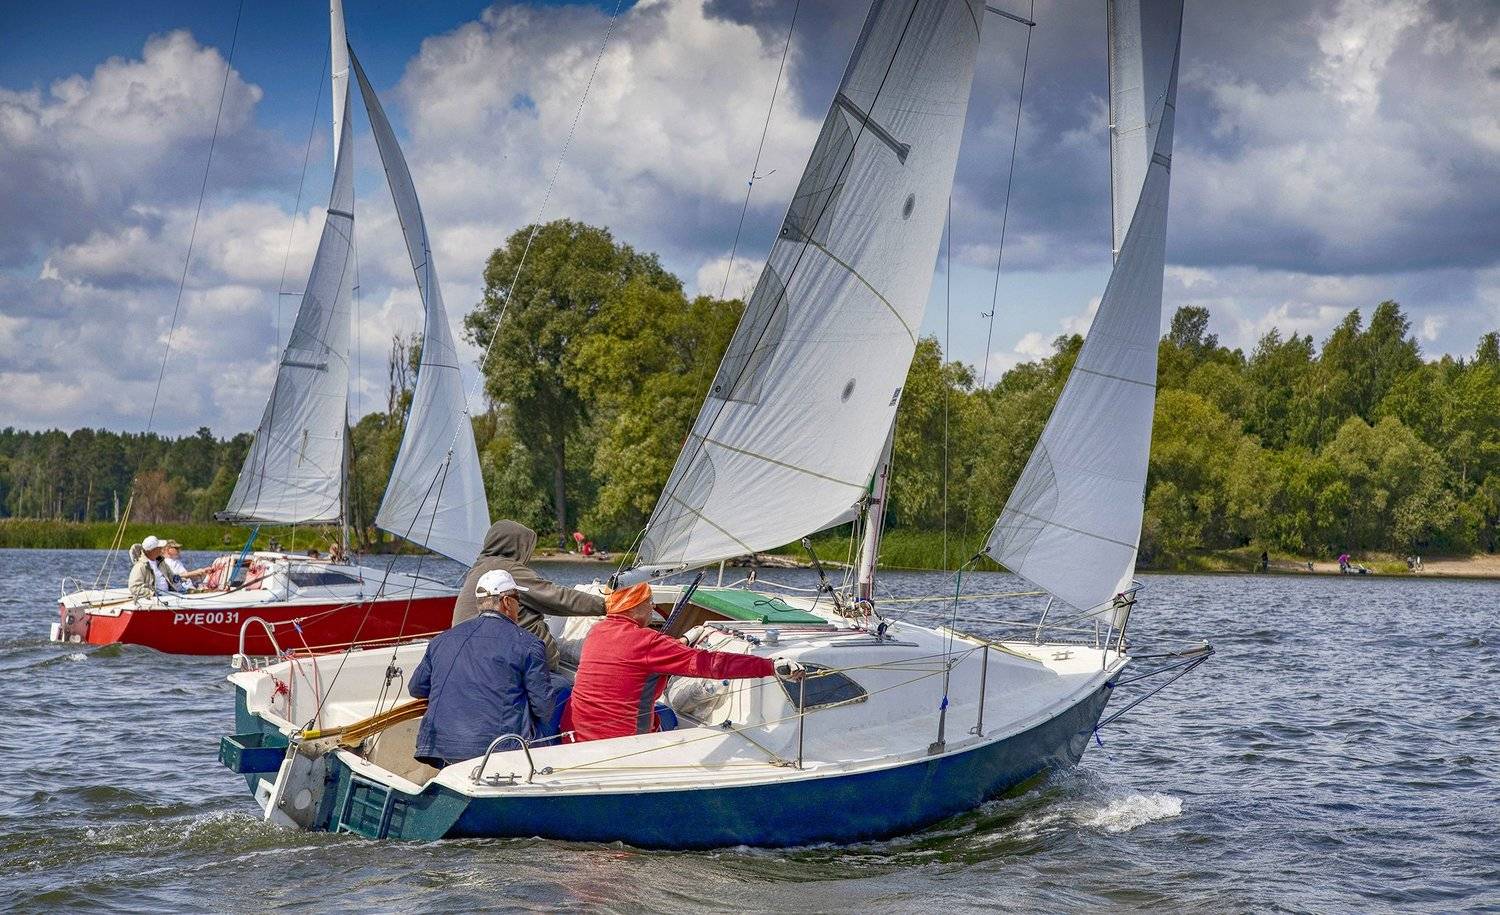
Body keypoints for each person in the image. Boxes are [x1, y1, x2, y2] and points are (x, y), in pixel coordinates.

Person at [565, 582, 804, 743]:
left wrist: (686, 639)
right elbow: (713, 665)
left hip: (575, 734)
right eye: (650, 603)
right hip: (618, 742)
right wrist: (769, 666)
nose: (653, 609)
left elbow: (638, 654)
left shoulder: (598, 631)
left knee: (663, 713)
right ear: (636, 607)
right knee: (669, 717)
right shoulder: (648, 641)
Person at [408, 569, 556, 769]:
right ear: (507, 602)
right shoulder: (529, 644)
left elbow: (416, 688)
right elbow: (544, 708)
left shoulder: (441, 640)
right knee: (561, 691)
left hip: (440, 750)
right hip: (498, 753)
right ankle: (548, 766)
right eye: (518, 599)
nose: (519, 605)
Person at [452, 521, 605, 670]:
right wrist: (605, 604)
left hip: (469, 651)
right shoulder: (506, 570)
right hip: (505, 659)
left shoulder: (478, 568)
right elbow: (556, 597)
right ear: (517, 546)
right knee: (530, 607)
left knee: (524, 603)